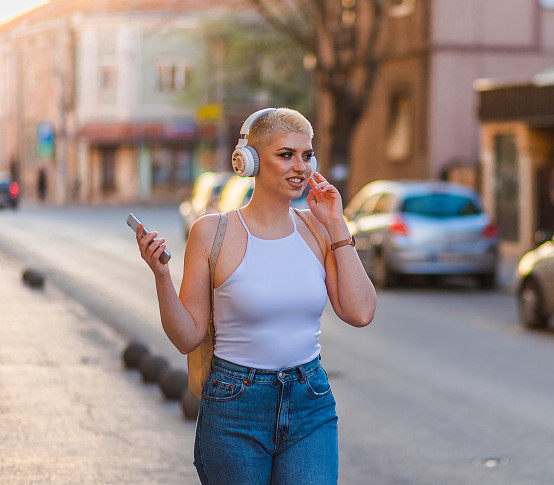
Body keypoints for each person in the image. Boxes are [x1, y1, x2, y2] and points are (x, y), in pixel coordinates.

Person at [135, 108, 377, 484]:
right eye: (286, 154)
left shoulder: (318, 229)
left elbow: (361, 312)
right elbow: (187, 336)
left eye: (307, 155)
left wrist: (337, 223)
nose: (301, 166)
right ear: (248, 161)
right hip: (235, 407)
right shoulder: (212, 231)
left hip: (309, 401)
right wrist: (162, 276)